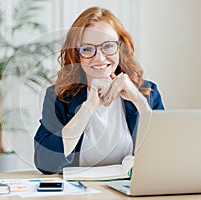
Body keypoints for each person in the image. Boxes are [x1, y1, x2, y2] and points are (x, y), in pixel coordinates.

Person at [34, 7, 164, 174]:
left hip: (129, 189)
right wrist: (88, 107)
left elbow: (166, 152)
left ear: (121, 47)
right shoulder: (59, 96)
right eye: (87, 49)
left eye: (108, 46)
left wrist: (138, 100)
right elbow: (45, 162)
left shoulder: (147, 91)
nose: (100, 58)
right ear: (76, 55)